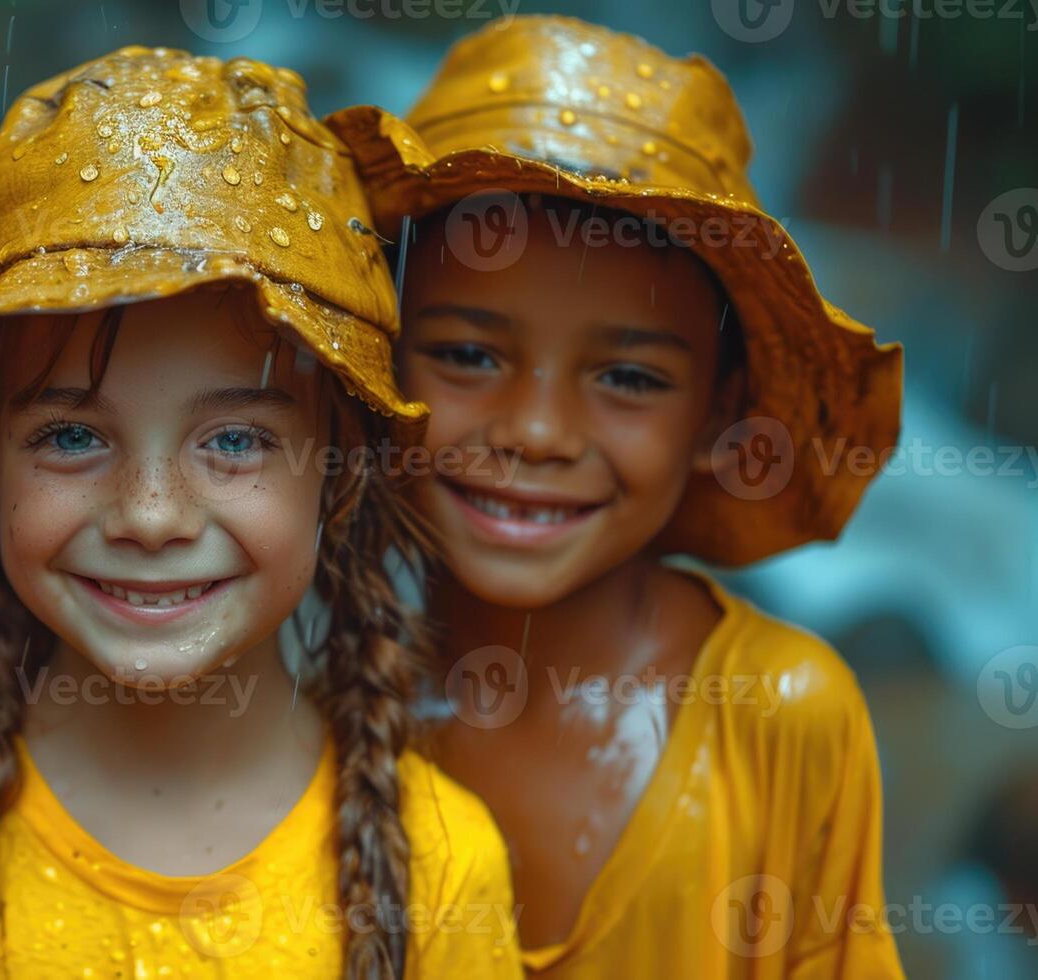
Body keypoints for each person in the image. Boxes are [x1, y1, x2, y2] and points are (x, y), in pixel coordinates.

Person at [0, 47, 523, 979]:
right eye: (70, 437)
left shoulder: (442, 864)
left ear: (338, 471)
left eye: (233, 442)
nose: (149, 517)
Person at [328, 16, 906, 977]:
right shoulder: (302, 675)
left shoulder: (776, 713)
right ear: (375, 356)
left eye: (629, 379)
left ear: (720, 416)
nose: (538, 432)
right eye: (468, 356)